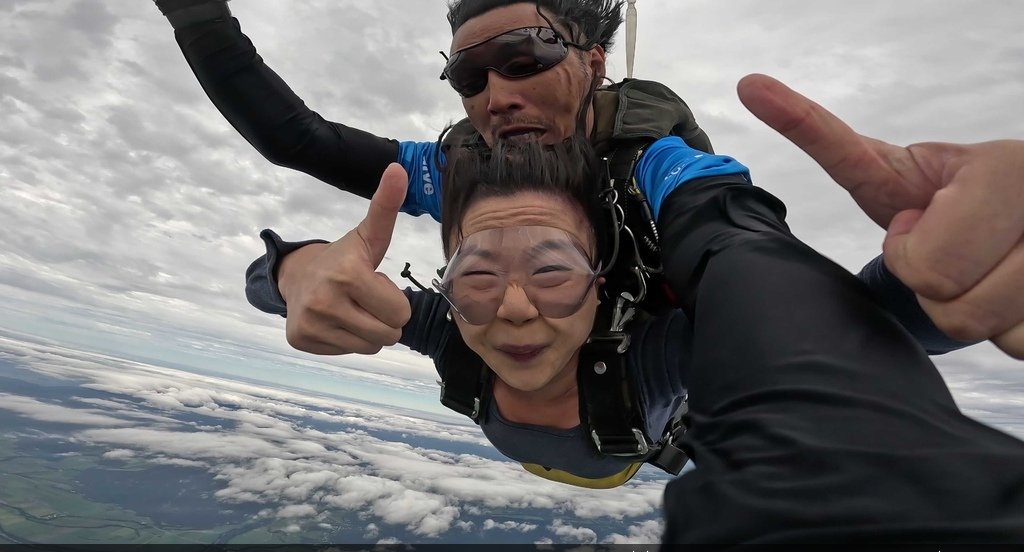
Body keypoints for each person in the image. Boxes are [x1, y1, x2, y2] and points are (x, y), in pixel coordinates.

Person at [153, 0, 1024, 359]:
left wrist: (929, 290)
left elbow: (746, 259)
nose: (496, 95)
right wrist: (294, 273)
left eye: (523, 58)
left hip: (658, 374)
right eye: (468, 76)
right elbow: (295, 139)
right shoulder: (457, 164)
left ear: (594, 60)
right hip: (501, 374)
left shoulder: (660, 165)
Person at [341, 133, 1024, 541]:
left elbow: (838, 329)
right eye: (478, 276)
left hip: (637, 453)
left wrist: (943, 275)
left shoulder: (653, 359)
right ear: (447, 286)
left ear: (600, 282)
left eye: (552, 270)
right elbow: (297, 286)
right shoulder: (449, 330)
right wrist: (293, 268)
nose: (514, 308)